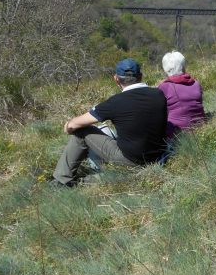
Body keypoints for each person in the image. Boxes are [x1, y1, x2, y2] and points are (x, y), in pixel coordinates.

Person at [52, 58, 167, 187]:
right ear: (140, 76)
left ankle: (62, 180)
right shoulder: (158, 95)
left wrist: (68, 126)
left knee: (82, 131)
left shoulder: (115, 102)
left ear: (116, 79)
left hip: (130, 159)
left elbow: (74, 124)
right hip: (157, 157)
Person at [158, 51, 205, 138]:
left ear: (166, 68)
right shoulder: (196, 84)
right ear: (183, 66)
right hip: (202, 130)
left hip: (177, 135)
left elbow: (159, 114)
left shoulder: (164, 87)